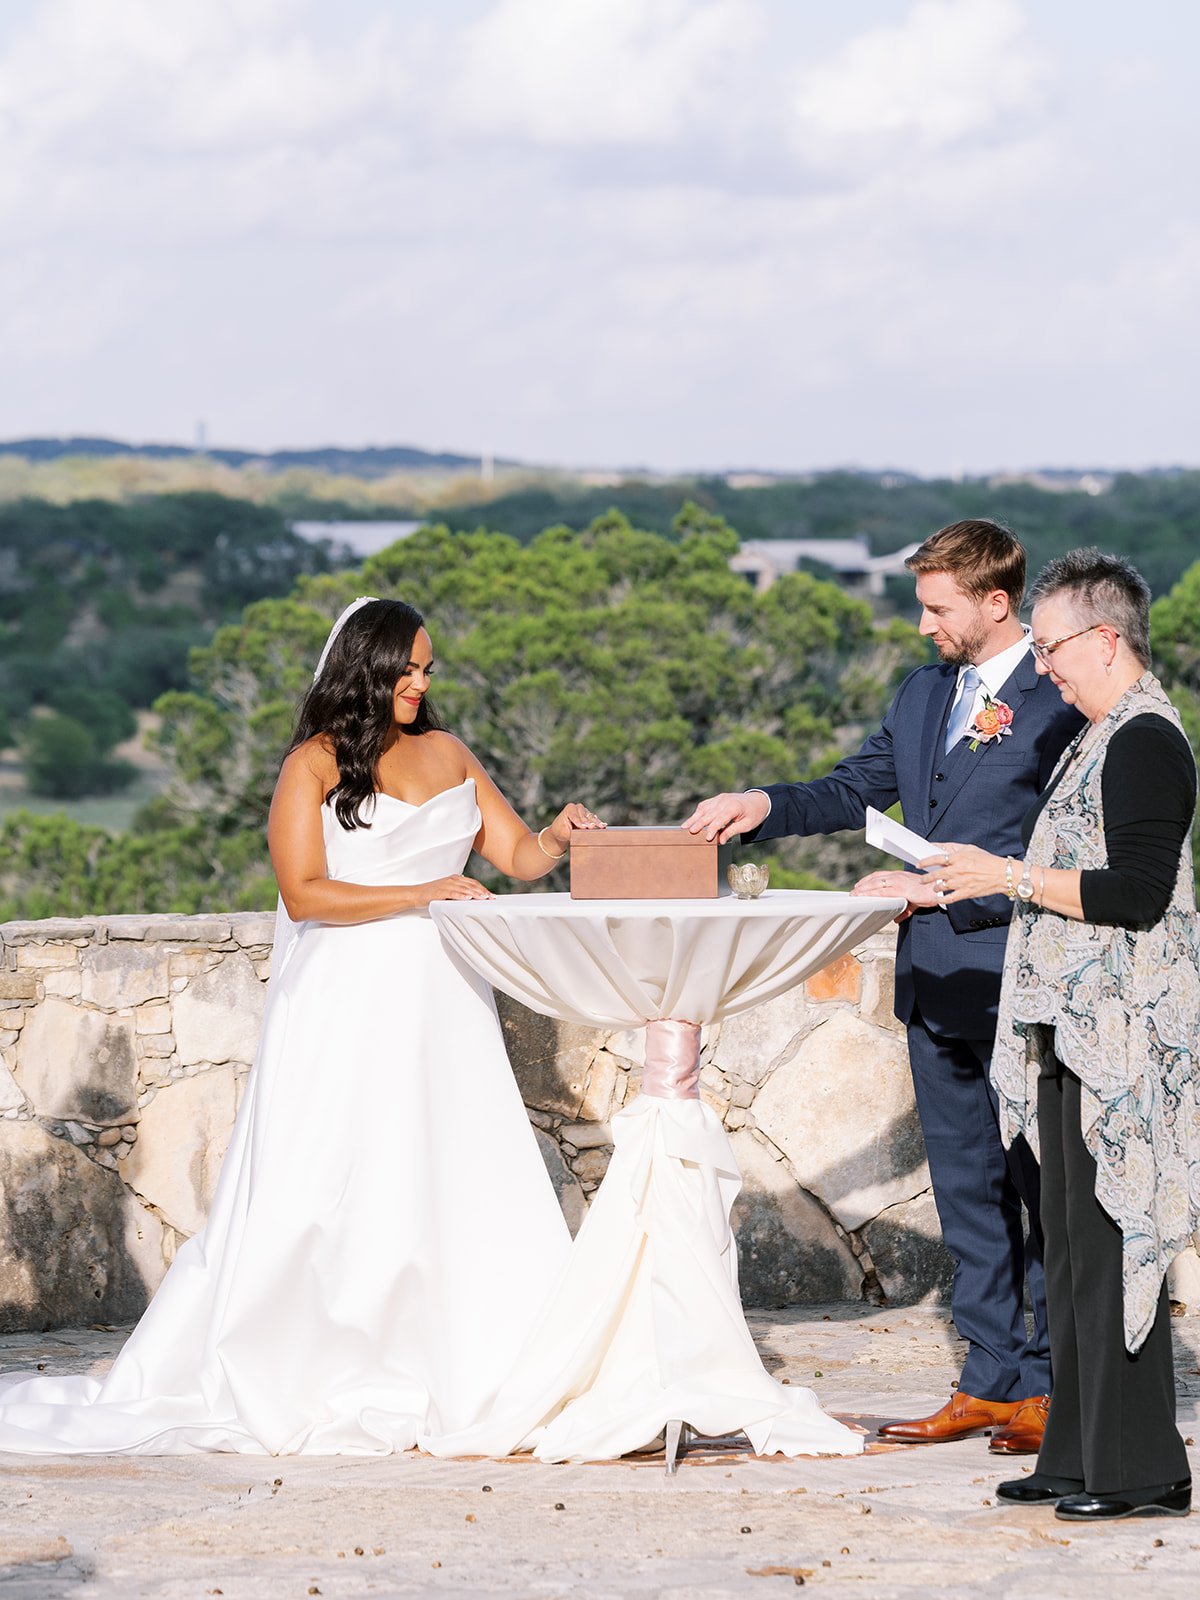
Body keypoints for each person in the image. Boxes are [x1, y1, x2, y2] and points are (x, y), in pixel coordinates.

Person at [0, 596, 604, 1454]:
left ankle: (457, 1354)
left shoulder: (450, 752)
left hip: (443, 1001)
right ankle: (312, 1355)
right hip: (345, 998)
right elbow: (304, 894)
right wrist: (422, 893)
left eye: (429, 668)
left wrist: (558, 833)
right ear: (367, 665)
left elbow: (517, 858)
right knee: (335, 1170)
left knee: (442, 1163)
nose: (421, 682)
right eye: (407, 668)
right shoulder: (313, 765)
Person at [683, 520, 1084, 1453]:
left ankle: (1057, 1388)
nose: (921, 627)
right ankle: (990, 1381)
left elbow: (1065, 852)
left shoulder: (1059, 697)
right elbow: (857, 789)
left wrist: (942, 885)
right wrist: (763, 807)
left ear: (996, 603)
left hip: (1021, 983)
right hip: (935, 989)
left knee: (1040, 1192)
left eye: (937, 609)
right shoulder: (924, 692)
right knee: (968, 1194)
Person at [930, 550, 1198, 1520]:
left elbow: (1135, 893)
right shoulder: (1099, 736)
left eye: (1048, 648)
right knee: (1074, 1247)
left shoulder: (1146, 740)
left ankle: (1139, 1469)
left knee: (1115, 1243)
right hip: (1075, 1034)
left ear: (1104, 638)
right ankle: (1079, 1454)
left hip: (1121, 1043)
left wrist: (1002, 874)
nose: (1041, 667)